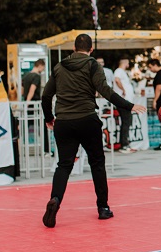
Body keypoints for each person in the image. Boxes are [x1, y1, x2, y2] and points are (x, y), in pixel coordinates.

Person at [40, 34, 145, 228]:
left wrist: (49, 118)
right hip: (87, 119)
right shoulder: (93, 66)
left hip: (63, 121)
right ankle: (103, 208)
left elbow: (46, 96)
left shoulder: (59, 67)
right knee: (97, 163)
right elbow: (106, 91)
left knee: (64, 165)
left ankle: (55, 199)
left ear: (73, 47)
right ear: (91, 50)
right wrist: (129, 106)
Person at [22, 59, 48, 153]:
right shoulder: (36, 76)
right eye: (43, 67)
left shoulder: (26, 75)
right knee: (43, 125)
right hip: (34, 104)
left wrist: (25, 103)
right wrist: (28, 103)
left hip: (27, 104)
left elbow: (22, 89)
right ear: (40, 66)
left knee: (26, 125)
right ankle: (46, 149)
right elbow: (32, 90)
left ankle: (22, 146)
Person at [113, 59, 136, 153]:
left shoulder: (122, 72)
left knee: (127, 122)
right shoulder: (119, 71)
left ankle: (125, 143)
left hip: (126, 101)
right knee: (126, 122)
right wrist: (123, 90)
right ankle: (124, 145)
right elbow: (117, 80)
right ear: (124, 63)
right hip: (123, 101)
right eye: (127, 62)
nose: (128, 64)